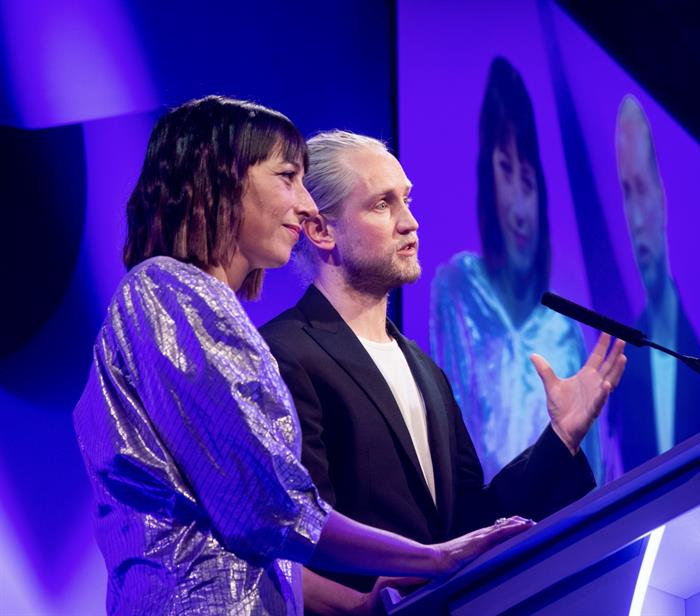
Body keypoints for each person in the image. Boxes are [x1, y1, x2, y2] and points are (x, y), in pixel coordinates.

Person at [72, 96, 531, 616]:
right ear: (222, 179)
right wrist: (432, 558)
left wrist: (358, 605)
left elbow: (257, 541)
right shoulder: (167, 291)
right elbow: (270, 505)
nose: (307, 205)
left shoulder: (194, 302)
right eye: (288, 177)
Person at [261, 128, 627, 601]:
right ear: (321, 230)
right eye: (381, 205)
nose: (409, 222)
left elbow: (470, 527)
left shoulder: (424, 370)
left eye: (407, 201)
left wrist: (560, 439)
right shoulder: (286, 354)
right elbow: (301, 532)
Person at [429, 56, 605, 482]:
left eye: (528, 182)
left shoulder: (563, 332)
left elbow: (592, 473)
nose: (521, 210)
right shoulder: (457, 286)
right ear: (487, 178)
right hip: (480, 535)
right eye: (505, 171)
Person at [608, 95, 700, 471]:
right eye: (627, 193)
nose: (637, 218)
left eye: (641, 190)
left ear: (661, 196)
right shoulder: (621, 357)